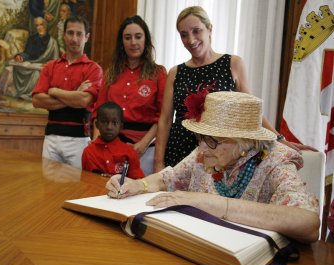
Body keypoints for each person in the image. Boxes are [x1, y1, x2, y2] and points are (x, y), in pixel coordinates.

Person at [106, 92, 320, 243]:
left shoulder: (275, 161)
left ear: (243, 142)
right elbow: (169, 178)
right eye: (200, 137)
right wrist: (138, 184)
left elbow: (308, 223)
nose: (201, 147)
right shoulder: (205, 152)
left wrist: (216, 204)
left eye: (211, 140)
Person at [153, 6, 313, 173]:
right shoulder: (175, 72)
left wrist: (279, 138)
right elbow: (164, 121)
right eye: (184, 35)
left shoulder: (233, 64)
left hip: (221, 152)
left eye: (196, 31)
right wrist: (158, 162)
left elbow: (252, 111)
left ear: (209, 29)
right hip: (179, 150)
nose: (191, 40)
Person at [94, 15, 167, 176]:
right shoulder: (111, 73)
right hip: (112, 145)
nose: (133, 42)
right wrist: (95, 146)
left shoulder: (158, 73)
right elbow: (98, 112)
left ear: (146, 40)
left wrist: (144, 143)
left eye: (138, 37)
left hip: (146, 149)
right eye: (128, 38)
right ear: (122, 43)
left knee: (139, 196)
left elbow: (163, 117)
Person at [32, 15, 103, 169]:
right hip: (51, 138)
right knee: (49, 188)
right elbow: (37, 101)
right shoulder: (51, 66)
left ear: (87, 37)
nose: (74, 39)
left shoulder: (94, 69)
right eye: (70, 33)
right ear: (64, 35)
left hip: (79, 140)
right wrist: (74, 93)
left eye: (79, 34)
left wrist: (54, 91)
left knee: (78, 189)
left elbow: (84, 100)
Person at [83, 102, 144, 179]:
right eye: (104, 122)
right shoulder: (89, 152)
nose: (109, 127)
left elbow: (137, 181)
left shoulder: (129, 152)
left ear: (121, 126)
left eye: (114, 123)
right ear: (97, 124)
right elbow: (86, 181)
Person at [13, 16, 59, 100]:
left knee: (36, 73)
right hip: (32, 64)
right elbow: (27, 53)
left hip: (44, 67)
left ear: (45, 26)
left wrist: (47, 65)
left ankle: (30, 94)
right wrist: (20, 57)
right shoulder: (32, 38)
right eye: (37, 25)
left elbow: (55, 61)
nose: (39, 28)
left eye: (41, 25)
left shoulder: (52, 42)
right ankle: (22, 92)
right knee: (16, 67)